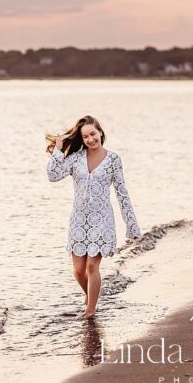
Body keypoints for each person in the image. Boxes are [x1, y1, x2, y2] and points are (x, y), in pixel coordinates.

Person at [46, 115, 141, 319]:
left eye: (93, 134)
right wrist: (59, 149)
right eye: (85, 136)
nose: (90, 139)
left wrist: (131, 225)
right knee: (78, 271)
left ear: (100, 133)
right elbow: (52, 176)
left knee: (91, 266)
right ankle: (90, 297)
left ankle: (90, 309)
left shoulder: (113, 159)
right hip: (79, 220)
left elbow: (122, 192)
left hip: (102, 220)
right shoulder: (76, 158)